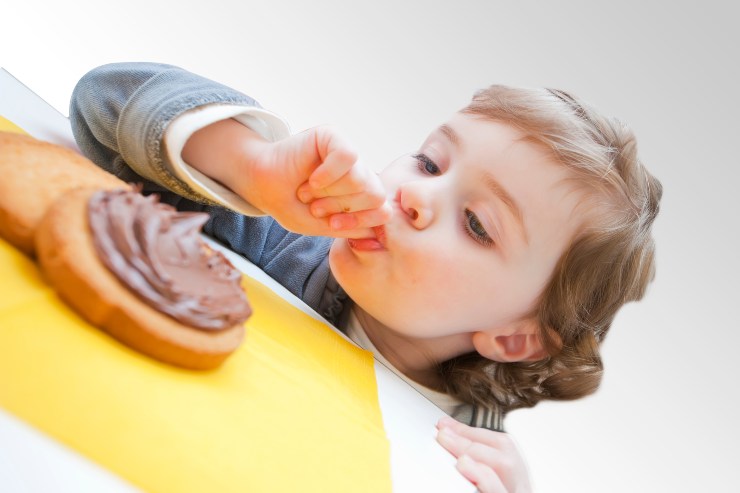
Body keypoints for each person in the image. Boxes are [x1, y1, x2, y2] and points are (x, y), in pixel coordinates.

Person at [70, 62, 662, 492]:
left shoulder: (463, 447)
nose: (416, 194)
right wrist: (251, 168)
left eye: (477, 224)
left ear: (511, 336)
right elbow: (105, 102)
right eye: (430, 162)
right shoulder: (281, 245)